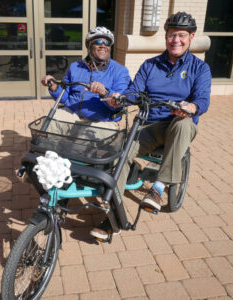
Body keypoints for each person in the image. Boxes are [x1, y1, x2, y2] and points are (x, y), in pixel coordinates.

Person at [91, 12, 212, 241]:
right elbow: (135, 91)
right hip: (150, 125)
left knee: (183, 124)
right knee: (120, 153)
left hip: (179, 125)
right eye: (171, 35)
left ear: (191, 37)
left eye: (181, 35)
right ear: (166, 37)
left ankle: (157, 188)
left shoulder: (200, 69)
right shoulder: (150, 65)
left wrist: (192, 107)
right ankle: (113, 215)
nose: (175, 40)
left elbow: (203, 100)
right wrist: (121, 98)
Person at [41, 26, 131, 135]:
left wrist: (104, 93)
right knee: (50, 123)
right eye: (98, 42)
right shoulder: (75, 67)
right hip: (72, 114)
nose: (103, 46)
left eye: (107, 43)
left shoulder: (120, 71)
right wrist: (54, 87)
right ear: (89, 46)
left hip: (101, 121)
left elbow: (120, 102)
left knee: (81, 145)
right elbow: (64, 98)